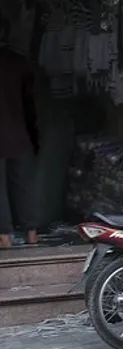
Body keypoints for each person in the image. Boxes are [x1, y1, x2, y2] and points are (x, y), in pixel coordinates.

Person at [0, 40, 39, 248]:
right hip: (19, 133)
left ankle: (4, 237)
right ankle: (32, 234)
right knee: (23, 186)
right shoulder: (19, 61)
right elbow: (31, 101)